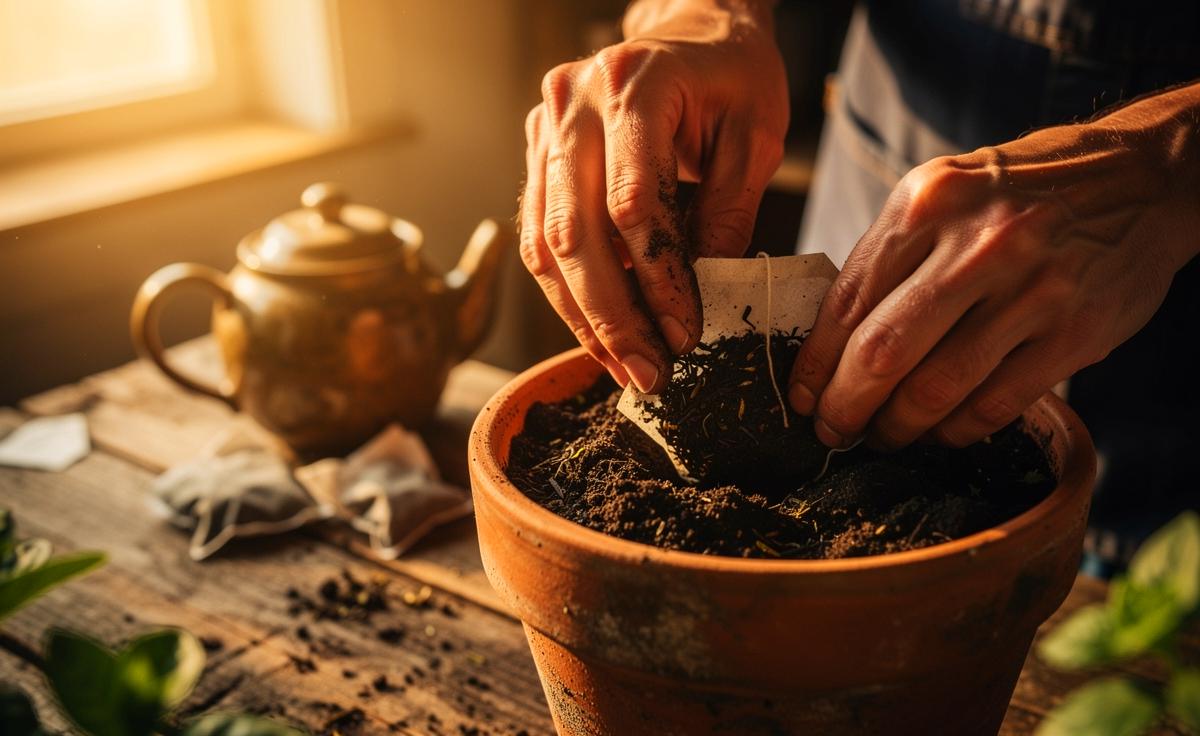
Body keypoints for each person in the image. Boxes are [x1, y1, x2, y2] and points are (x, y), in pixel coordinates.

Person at [518, 0, 1199, 570]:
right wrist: (706, 12)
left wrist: (1169, 158)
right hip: (891, 183)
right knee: (849, 370)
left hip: (1175, 347)